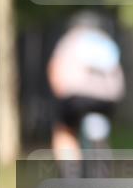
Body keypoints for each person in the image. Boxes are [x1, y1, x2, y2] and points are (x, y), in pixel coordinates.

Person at [47, 11, 125, 162]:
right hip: (108, 99)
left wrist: (58, 92)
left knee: (64, 129)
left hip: (76, 96)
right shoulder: (105, 42)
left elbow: (55, 69)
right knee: (102, 126)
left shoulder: (70, 40)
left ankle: (69, 169)